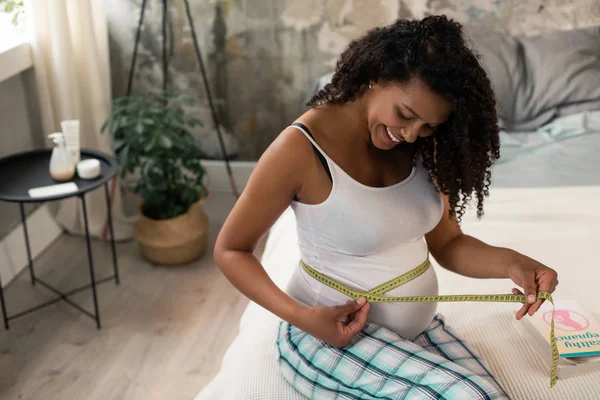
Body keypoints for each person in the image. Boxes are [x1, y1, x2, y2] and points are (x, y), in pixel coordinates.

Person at [214, 15, 559, 400]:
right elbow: (231, 250)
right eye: (406, 114)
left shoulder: (424, 148)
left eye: (428, 125)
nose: (410, 133)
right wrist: (305, 318)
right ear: (377, 73)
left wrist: (514, 263)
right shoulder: (300, 149)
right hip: (329, 337)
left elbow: (448, 245)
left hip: (418, 331)